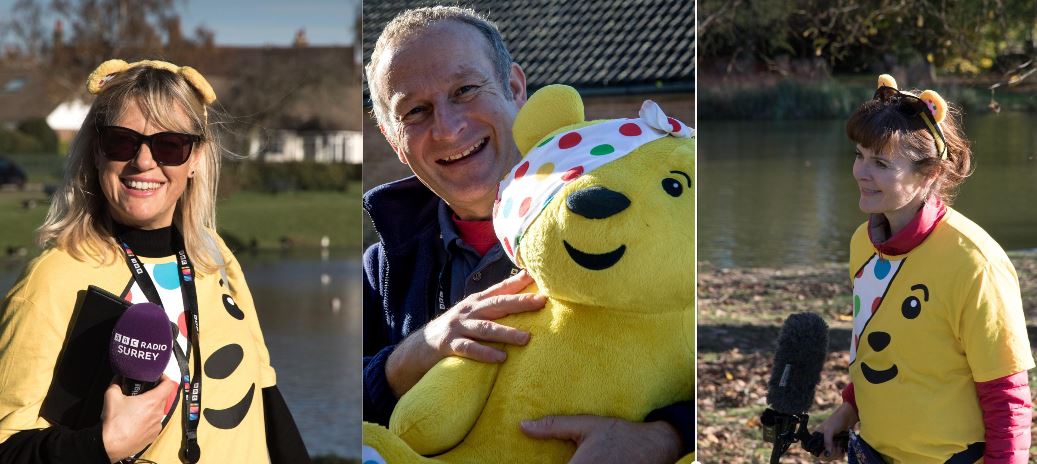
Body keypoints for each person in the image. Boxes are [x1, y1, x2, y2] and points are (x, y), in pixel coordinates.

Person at [363, 6, 693, 462]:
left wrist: (668, 435)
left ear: (515, 88)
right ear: (392, 138)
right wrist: (410, 355)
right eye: (415, 111)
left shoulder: (644, 218)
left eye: (465, 90)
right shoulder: (380, 269)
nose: (448, 127)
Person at [0, 59, 308, 463]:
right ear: (97, 151)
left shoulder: (212, 253)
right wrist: (102, 446)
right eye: (122, 142)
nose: (144, 162)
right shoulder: (53, 278)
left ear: (196, 157)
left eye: (169, 145)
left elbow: (265, 394)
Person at [817, 75, 1034, 463]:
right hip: (869, 453)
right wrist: (848, 410)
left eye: (880, 162)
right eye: (859, 154)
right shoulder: (861, 243)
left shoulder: (975, 263)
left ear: (930, 172)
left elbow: (1008, 399)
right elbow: (874, 345)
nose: (861, 173)